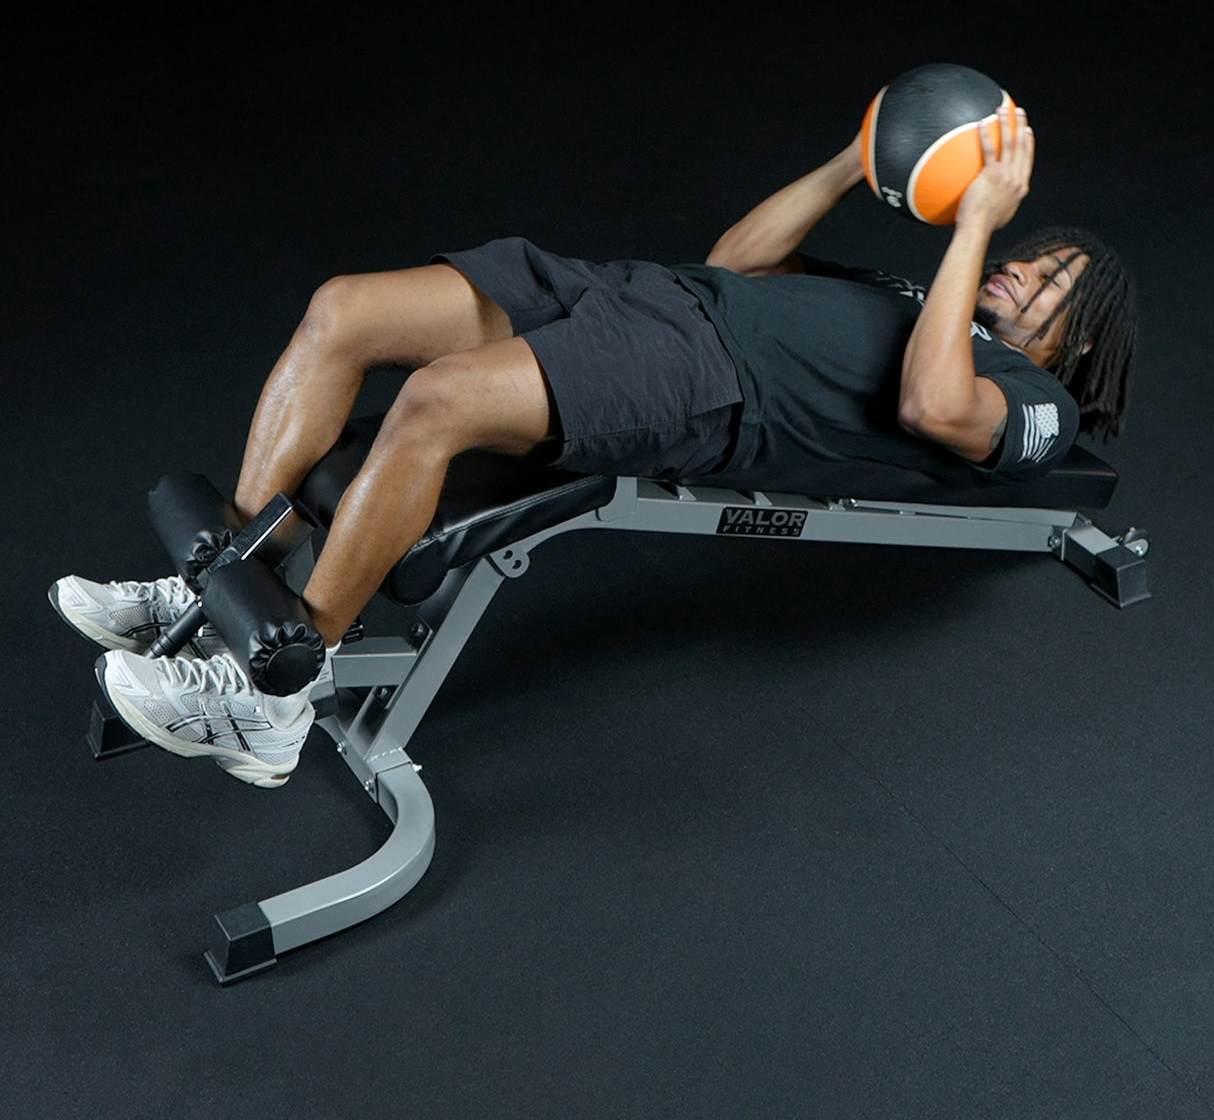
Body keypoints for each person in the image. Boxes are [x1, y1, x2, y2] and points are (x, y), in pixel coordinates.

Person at [50, 106, 1137, 787]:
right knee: (344, 310)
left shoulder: (1022, 398)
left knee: (433, 401)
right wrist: (855, 161)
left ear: (1075, 339)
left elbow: (931, 407)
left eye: (1048, 284)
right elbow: (738, 257)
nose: (1018, 272)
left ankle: (275, 693)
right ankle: (213, 579)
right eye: (1031, 256)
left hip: (708, 378)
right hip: (645, 295)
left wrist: (975, 225)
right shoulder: (910, 298)